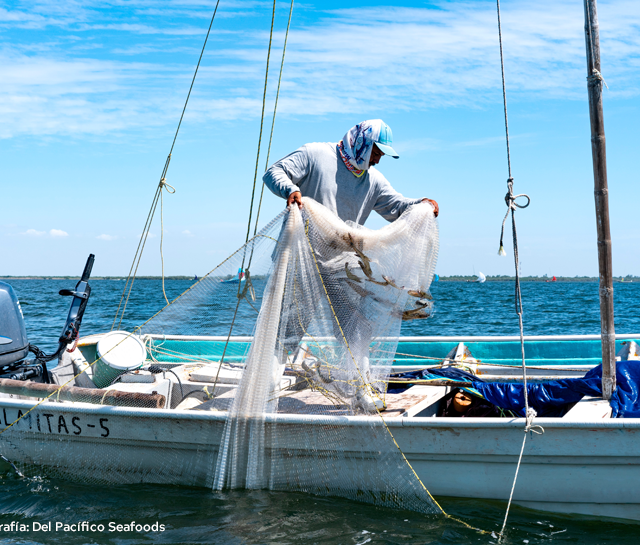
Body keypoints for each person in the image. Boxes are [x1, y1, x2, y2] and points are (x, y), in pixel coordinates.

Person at [263, 119, 438, 223]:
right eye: (375, 153)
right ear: (363, 143)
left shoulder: (374, 181)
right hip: (299, 259)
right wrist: (291, 189)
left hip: (341, 268)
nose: (377, 160)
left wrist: (422, 204)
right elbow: (274, 172)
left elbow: (397, 207)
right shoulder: (315, 154)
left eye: (381, 156)